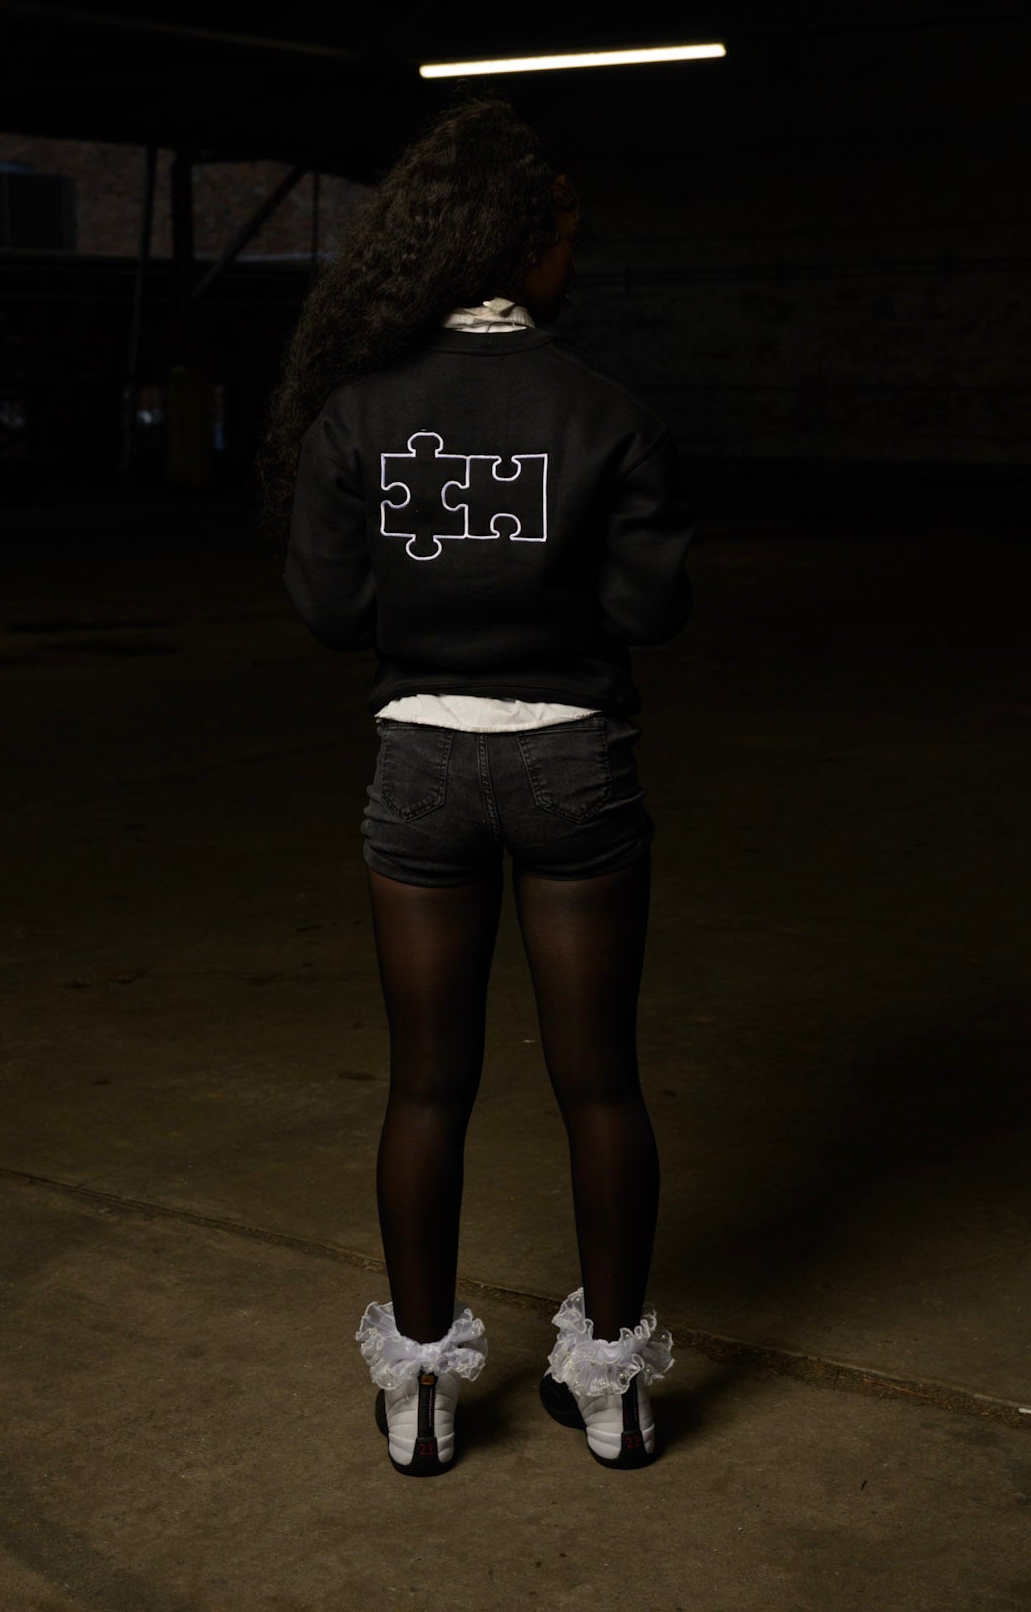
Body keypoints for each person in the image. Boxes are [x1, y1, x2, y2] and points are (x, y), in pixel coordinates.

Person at [258, 93, 694, 1476]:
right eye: (564, 238)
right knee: (600, 1086)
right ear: (520, 247)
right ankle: (615, 1394)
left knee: (425, 1089)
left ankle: (422, 1399)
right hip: (573, 762)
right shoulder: (606, 410)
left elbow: (333, 613)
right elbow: (652, 607)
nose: (573, 259)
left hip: (421, 769)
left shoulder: (357, 413)